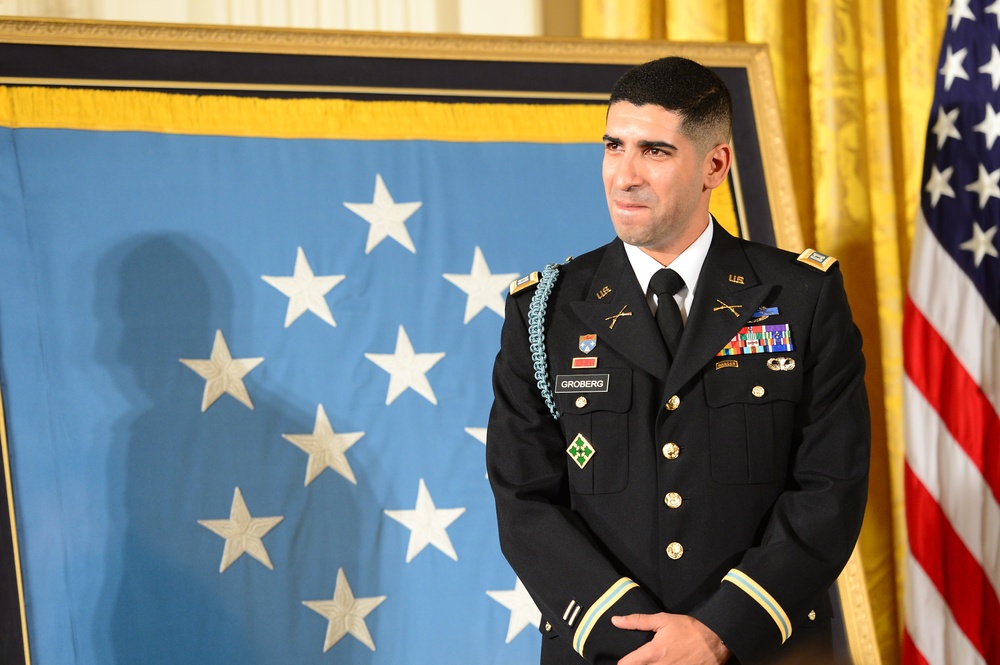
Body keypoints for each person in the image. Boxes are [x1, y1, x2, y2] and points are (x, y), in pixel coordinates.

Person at [486, 56, 870, 665]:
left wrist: (719, 631)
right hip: (605, 654)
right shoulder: (546, 311)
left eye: (655, 151)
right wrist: (635, 640)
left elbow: (830, 488)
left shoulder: (801, 297)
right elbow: (524, 500)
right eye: (614, 146)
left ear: (714, 164)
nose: (624, 176)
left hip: (761, 647)